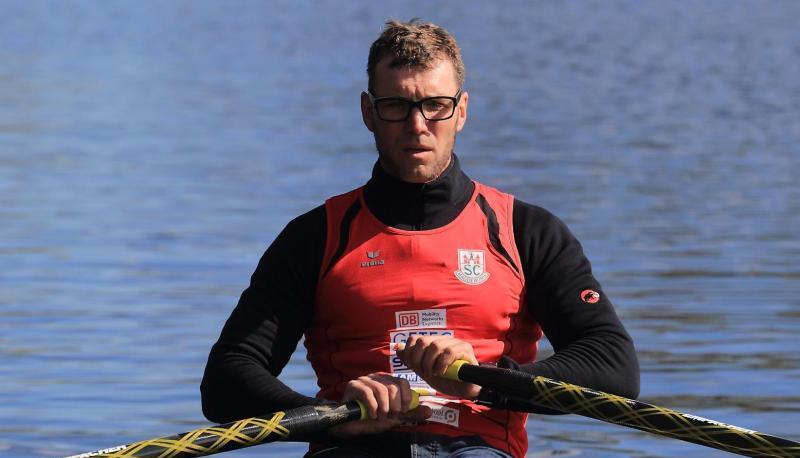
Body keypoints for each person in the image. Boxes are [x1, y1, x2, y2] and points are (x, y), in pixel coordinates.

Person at [201, 19, 639, 458]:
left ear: (462, 110)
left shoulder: (525, 231)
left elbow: (614, 367)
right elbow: (226, 381)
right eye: (396, 106)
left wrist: (485, 381)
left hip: (477, 447)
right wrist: (331, 415)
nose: (417, 125)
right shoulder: (314, 237)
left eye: (435, 105)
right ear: (368, 112)